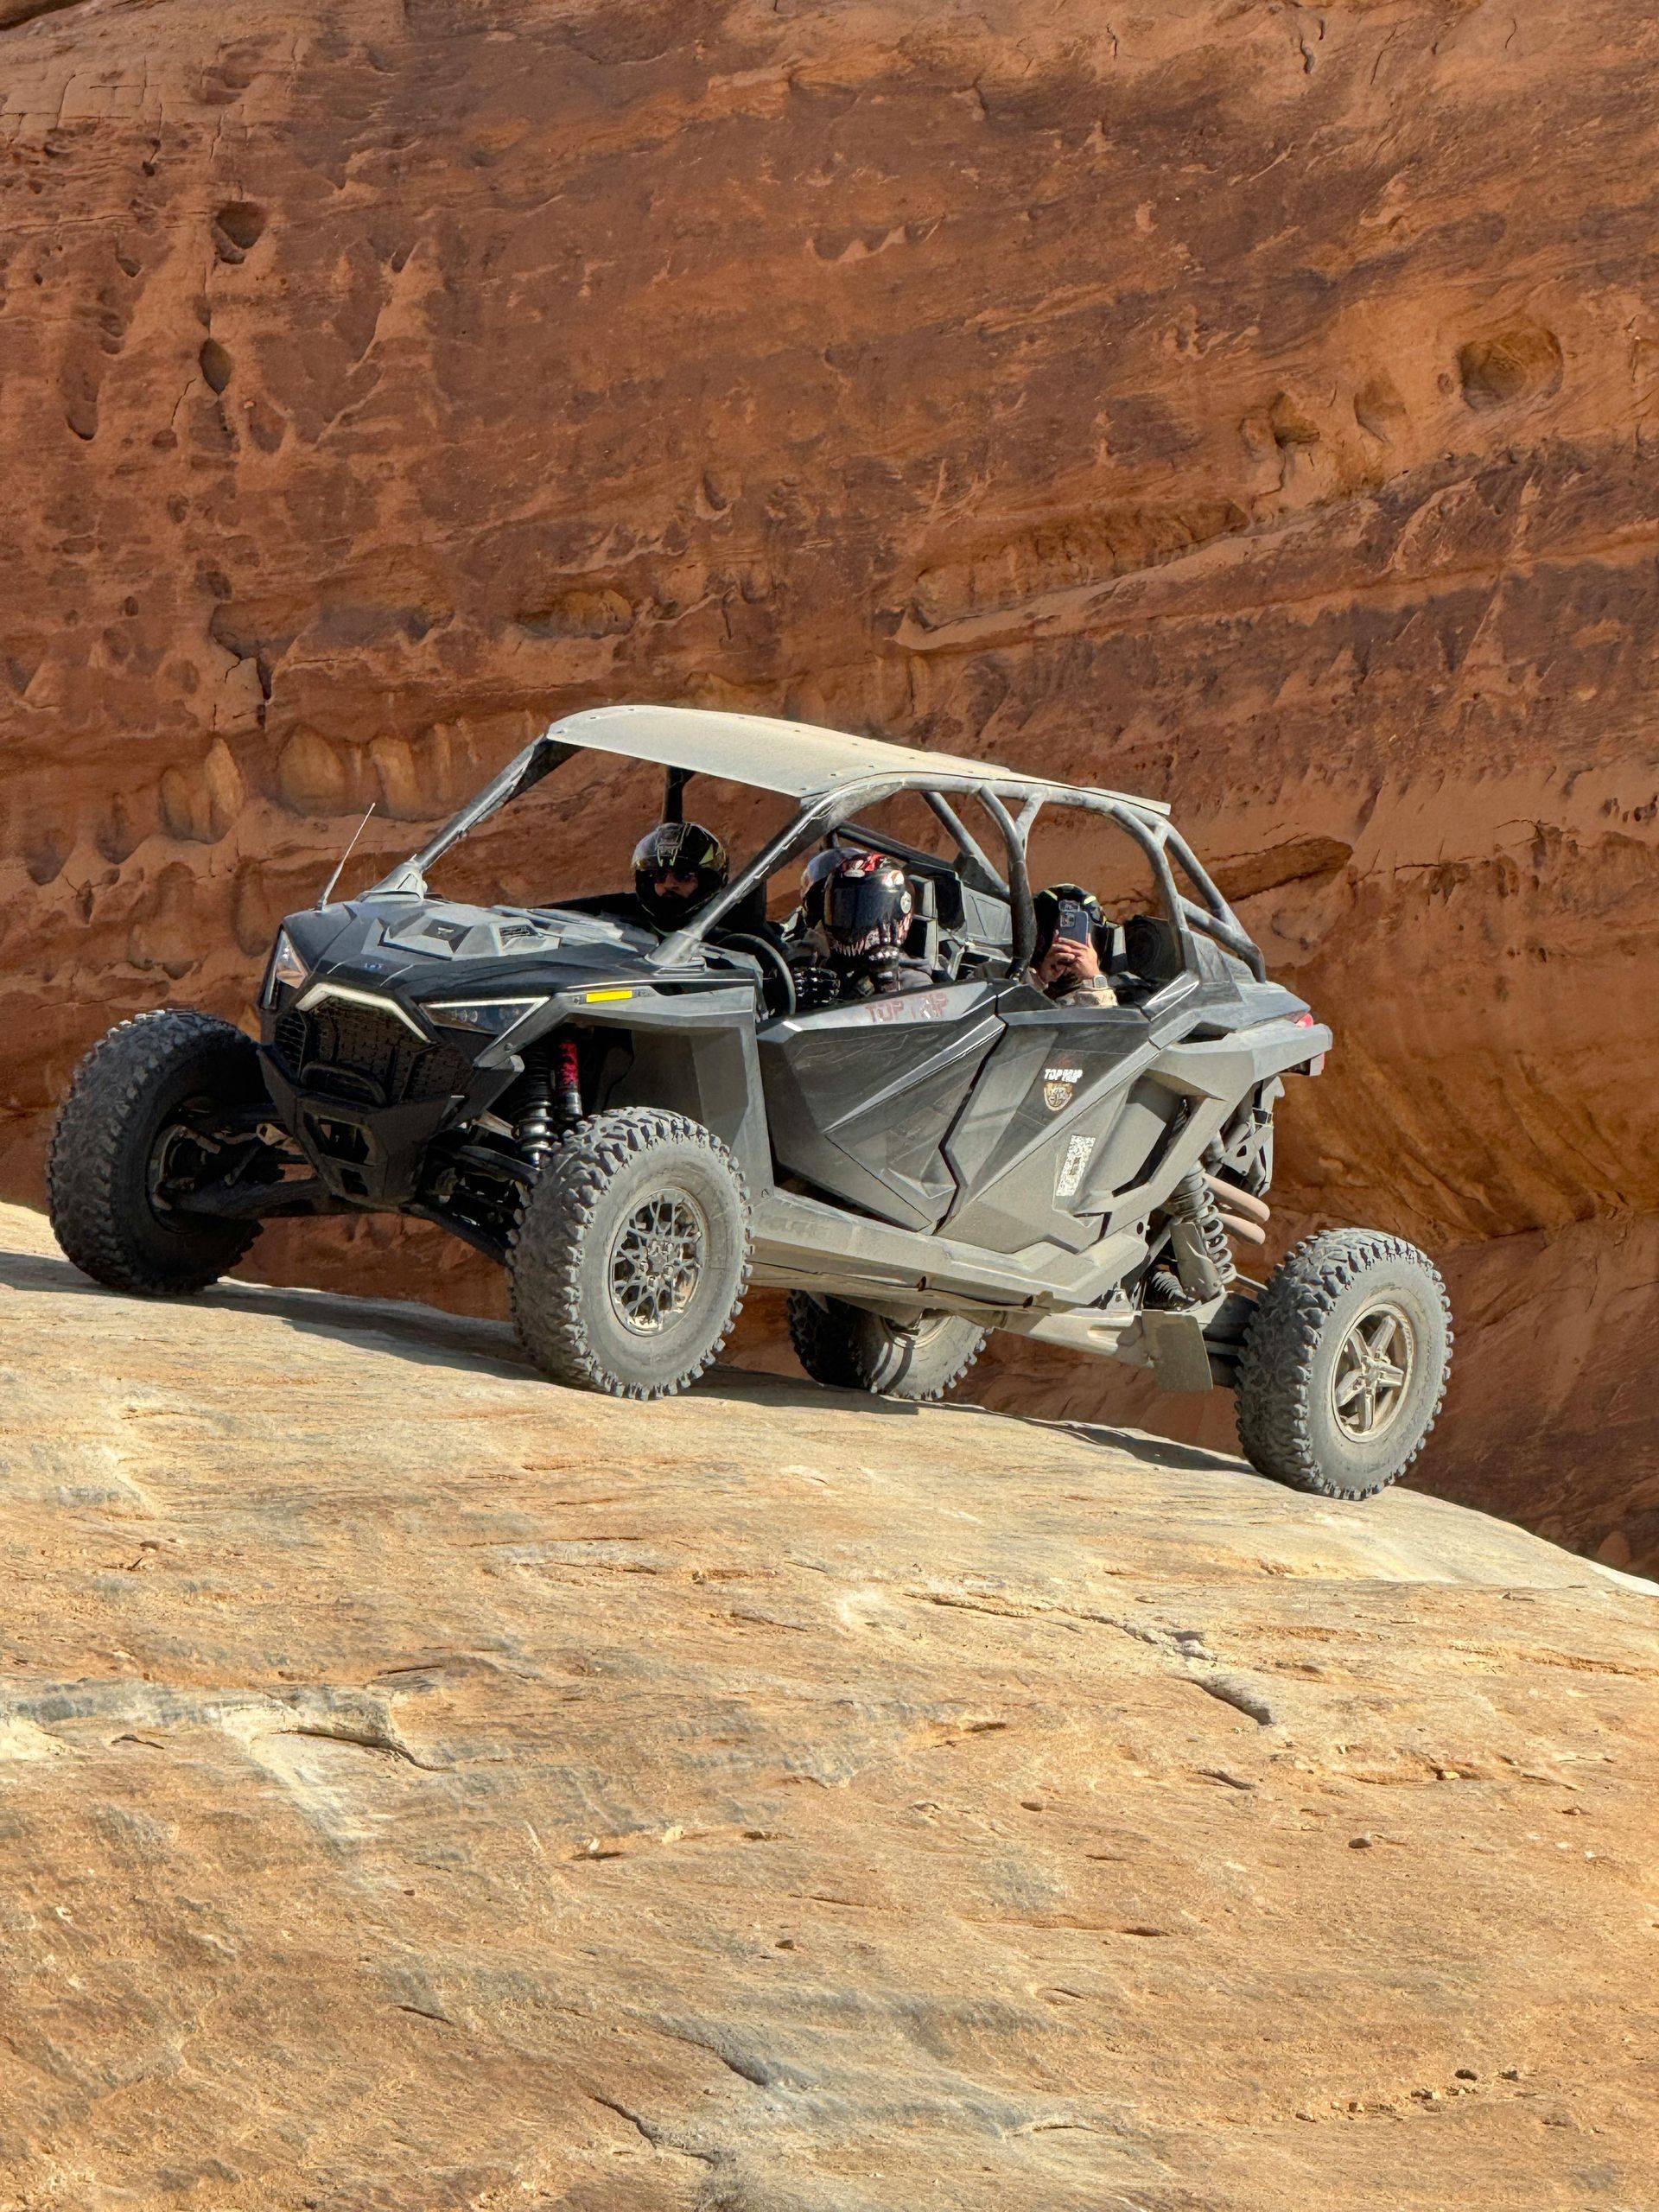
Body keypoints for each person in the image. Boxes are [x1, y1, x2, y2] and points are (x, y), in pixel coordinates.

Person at [790, 849, 937, 1005]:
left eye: (867, 909)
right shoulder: (820, 966)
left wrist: (887, 986)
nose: (851, 921)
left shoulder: (913, 981)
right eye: (843, 908)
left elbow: (919, 1027)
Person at [628, 820, 728, 932]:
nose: (669, 884)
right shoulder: (618, 916)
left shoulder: (734, 935)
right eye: (659, 875)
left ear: (707, 882)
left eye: (683, 875)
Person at [1032, 883, 1117, 1008]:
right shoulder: (1019, 979)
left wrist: (1094, 980)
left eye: (1079, 934)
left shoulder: (1115, 992)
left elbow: (1109, 1024)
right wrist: (1040, 980)